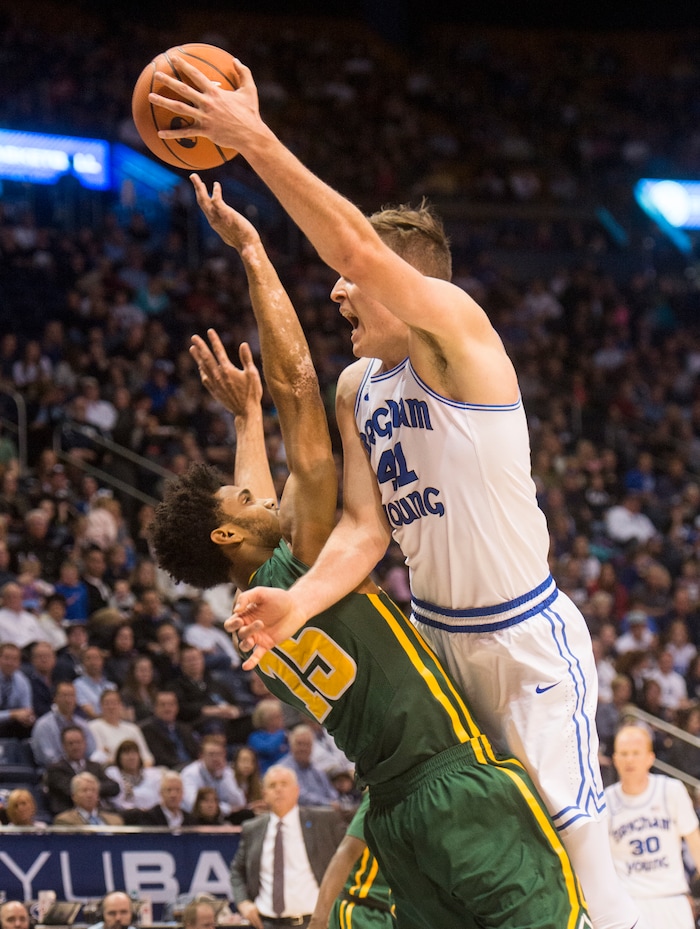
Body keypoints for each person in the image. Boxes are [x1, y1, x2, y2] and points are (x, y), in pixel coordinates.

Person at [150, 59, 636, 929]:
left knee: (578, 850)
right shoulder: (357, 389)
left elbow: (355, 250)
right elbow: (364, 534)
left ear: (413, 289)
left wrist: (250, 138)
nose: (337, 289)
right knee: (501, 872)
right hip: (441, 643)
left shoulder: (461, 340)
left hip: (521, 632)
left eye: (353, 281)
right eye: (337, 281)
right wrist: (298, 600)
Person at [605, 725, 700, 929]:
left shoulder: (671, 790)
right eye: (624, 754)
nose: (629, 759)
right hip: (630, 903)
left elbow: (695, 842)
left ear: (650, 757)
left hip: (671, 898)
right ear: (615, 759)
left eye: (635, 753)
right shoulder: (605, 802)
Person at [230, 765, 346, 929]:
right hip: (265, 923)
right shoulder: (252, 828)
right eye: (272, 785)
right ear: (264, 794)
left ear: (296, 790)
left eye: (284, 784)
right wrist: (243, 902)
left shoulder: (324, 820)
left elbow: (347, 864)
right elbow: (237, 871)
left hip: (313, 922)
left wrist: (337, 905)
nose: (278, 789)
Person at [308, 794, 393, 929]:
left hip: (400, 911)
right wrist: (318, 921)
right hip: (363, 912)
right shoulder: (384, 793)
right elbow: (347, 853)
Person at [43, 725, 120, 816]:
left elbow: (114, 787)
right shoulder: (56, 769)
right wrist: (95, 789)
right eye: (71, 743)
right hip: (72, 814)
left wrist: (92, 788)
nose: (75, 747)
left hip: (101, 812)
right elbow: (70, 791)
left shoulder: (94, 766)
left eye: (78, 742)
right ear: (63, 746)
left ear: (85, 743)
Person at [30, 679, 97, 767]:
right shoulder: (43, 725)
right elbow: (47, 758)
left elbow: (91, 752)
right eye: (64, 695)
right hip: (56, 772)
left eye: (72, 696)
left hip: (83, 769)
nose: (68, 700)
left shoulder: (82, 724)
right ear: (55, 698)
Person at [180, 735, 246, 818]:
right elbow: (193, 804)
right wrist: (228, 809)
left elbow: (239, 803)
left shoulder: (226, 772)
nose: (215, 758)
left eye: (219, 754)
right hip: (194, 819)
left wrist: (222, 777)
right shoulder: (190, 774)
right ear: (201, 756)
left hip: (220, 819)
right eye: (211, 754)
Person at [88, 689, 154, 767]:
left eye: (114, 703)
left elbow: (147, 757)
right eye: (107, 703)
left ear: (120, 705)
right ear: (101, 706)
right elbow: (99, 756)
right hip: (111, 770)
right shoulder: (93, 727)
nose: (111, 707)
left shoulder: (132, 728)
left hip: (138, 770)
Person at [280, 725, 339, 808]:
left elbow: (331, 792)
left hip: (325, 813)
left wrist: (335, 802)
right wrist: (328, 803)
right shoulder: (283, 770)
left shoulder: (316, 769)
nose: (303, 748)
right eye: (299, 744)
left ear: (312, 747)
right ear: (291, 745)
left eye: (307, 744)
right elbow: (299, 796)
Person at [139, 689, 200, 770]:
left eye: (171, 704)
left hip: (192, 768)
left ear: (177, 707)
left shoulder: (185, 728)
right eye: (162, 705)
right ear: (155, 707)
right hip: (169, 769)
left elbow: (196, 752)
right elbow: (160, 758)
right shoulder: (148, 729)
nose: (167, 708)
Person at [122, 770, 196, 828]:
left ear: (183, 793)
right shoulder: (150, 817)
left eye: (177, 790)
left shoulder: (190, 819)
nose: (173, 795)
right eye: (169, 790)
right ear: (161, 793)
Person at [105, 739, 163, 811]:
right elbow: (116, 801)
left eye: (134, 753)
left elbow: (159, 799)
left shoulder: (153, 774)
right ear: (119, 757)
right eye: (126, 753)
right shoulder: (112, 773)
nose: (131, 757)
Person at [53, 770, 124, 826]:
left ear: (98, 795)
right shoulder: (64, 821)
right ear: (73, 796)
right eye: (84, 790)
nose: (89, 795)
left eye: (93, 790)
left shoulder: (116, 821)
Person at [0, 641, 35, 737]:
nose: (10, 663)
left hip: (11, 727)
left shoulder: (22, 681)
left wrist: (28, 718)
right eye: (6, 658)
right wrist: (12, 714)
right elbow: (16, 714)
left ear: (19, 662)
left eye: (14, 659)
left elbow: (27, 709)